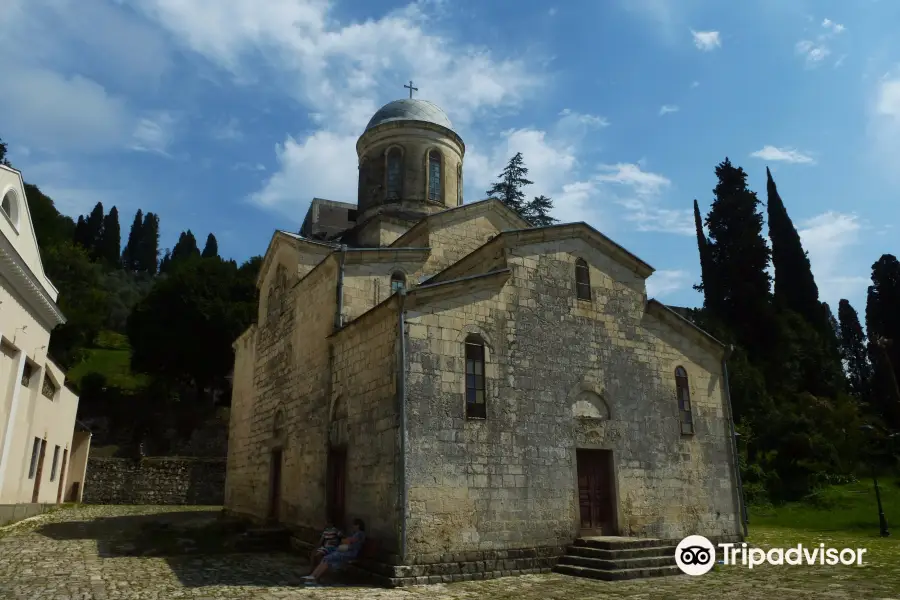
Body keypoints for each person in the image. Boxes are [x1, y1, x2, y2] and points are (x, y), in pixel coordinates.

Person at [304, 518, 366, 585]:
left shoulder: (360, 534)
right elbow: (347, 541)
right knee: (326, 560)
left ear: (358, 526)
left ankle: (313, 578)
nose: (353, 527)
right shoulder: (356, 534)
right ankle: (312, 577)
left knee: (327, 558)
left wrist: (344, 541)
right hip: (346, 552)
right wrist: (345, 541)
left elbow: (349, 541)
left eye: (354, 525)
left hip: (351, 553)